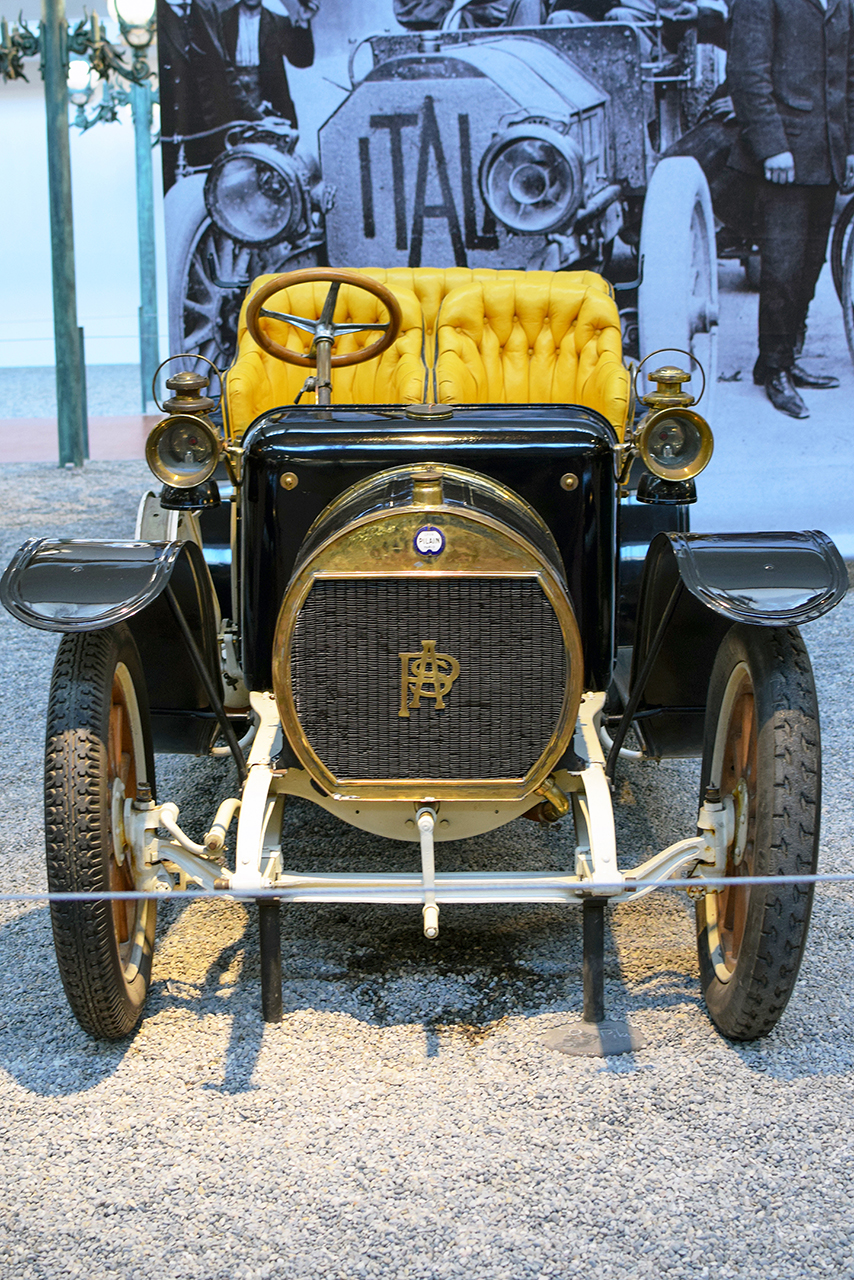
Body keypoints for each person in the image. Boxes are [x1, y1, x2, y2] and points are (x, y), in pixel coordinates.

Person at [727, 0, 854, 419]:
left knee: (809, 265)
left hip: (828, 154)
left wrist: (850, 149)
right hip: (783, 156)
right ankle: (775, 368)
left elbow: (849, 80)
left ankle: (783, 359)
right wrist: (771, 146)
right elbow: (747, 75)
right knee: (781, 268)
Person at [189, 0, 317, 136]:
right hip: (232, 110)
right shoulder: (223, 20)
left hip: (269, 111)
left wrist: (303, 21)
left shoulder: (277, 22)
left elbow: (302, 60)